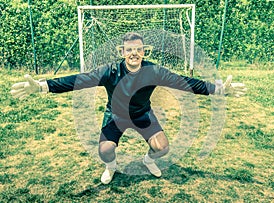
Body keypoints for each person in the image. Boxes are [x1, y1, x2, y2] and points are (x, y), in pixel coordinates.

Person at [11, 32, 246, 184]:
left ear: (144, 52)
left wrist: (218, 89)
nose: (134, 53)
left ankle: (148, 160)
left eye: (139, 49)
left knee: (163, 148)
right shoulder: (110, 71)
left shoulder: (154, 71)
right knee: (104, 150)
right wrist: (43, 87)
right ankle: (111, 167)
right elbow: (78, 80)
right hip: (115, 115)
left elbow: (185, 82)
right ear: (122, 52)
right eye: (129, 50)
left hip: (142, 114)